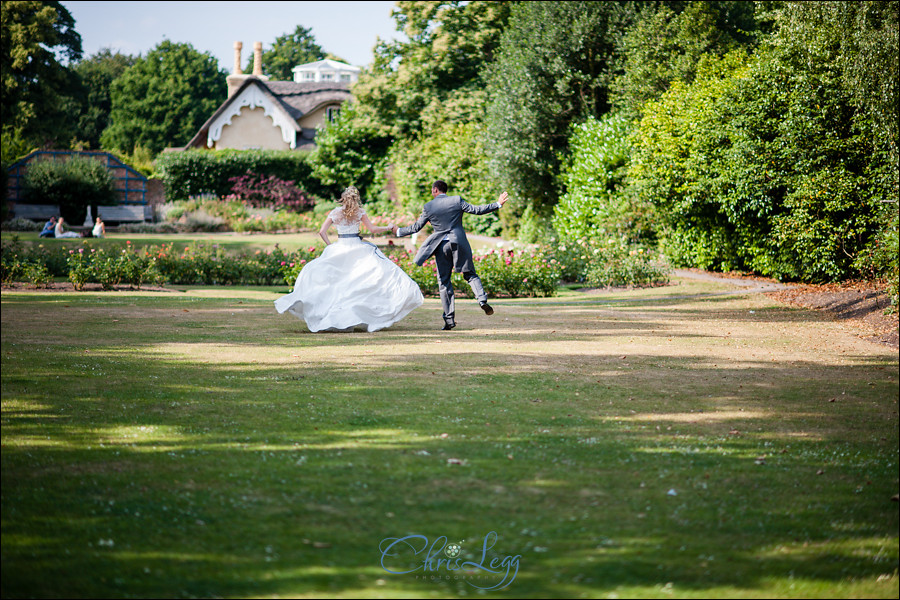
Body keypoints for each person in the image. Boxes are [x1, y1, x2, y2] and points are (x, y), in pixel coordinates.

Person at [275, 186, 424, 332]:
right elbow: (372, 230)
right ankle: (355, 315)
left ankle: (337, 314)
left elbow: (322, 232)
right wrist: (388, 227)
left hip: (340, 246)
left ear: (343, 198)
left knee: (337, 283)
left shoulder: (336, 213)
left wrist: (330, 246)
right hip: (357, 247)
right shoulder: (359, 212)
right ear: (356, 199)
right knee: (362, 280)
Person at [393, 180, 509, 330]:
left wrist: (398, 231)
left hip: (441, 246)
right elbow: (477, 210)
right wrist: (497, 204)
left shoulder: (429, 206)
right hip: (459, 242)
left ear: (435, 190)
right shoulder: (457, 200)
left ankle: (449, 320)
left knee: (444, 282)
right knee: (470, 274)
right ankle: (481, 300)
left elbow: (416, 227)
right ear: (445, 190)